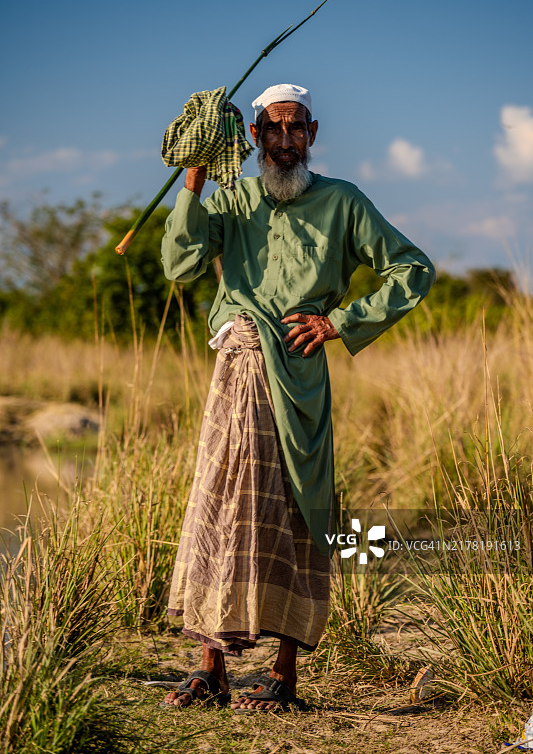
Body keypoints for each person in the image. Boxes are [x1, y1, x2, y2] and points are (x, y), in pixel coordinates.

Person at [160, 83, 436, 712]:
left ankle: (283, 674)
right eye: (273, 129)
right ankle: (211, 668)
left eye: (296, 129)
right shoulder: (231, 199)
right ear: (254, 136)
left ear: (312, 134)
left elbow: (412, 269)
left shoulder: (343, 201)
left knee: (296, 508)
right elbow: (180, 266)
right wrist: (194, 177)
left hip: (301, 377)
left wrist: (339, 323)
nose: (285, 141)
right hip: (236, 369)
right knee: (220, 505)